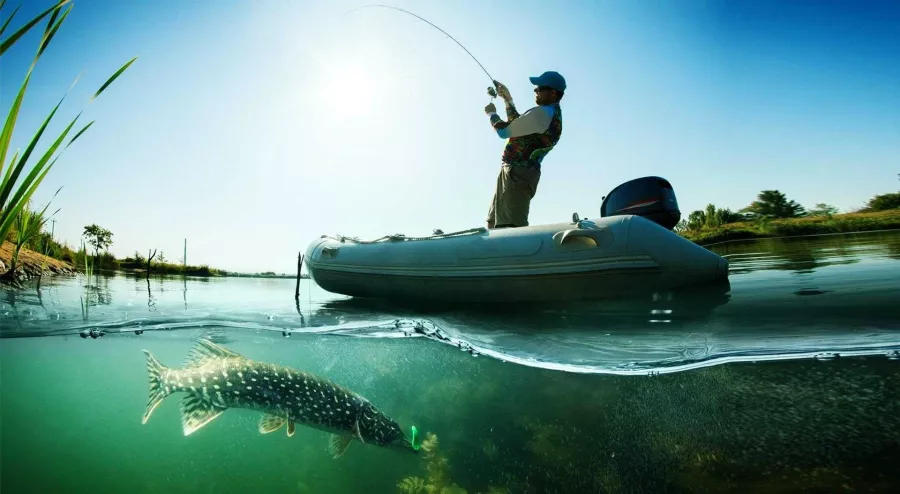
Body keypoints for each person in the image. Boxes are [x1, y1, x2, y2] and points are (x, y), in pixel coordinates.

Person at [483, 71, 565, 229]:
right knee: (493, 223)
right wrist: (507, 99)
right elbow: (517, 125)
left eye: (539, 88)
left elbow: (505, 131)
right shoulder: (548, 113)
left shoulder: (542, 114)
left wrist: (492, 114)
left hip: (518, 174)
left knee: (509, 228)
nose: (535, 91)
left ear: (553, 92)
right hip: (514, 172)